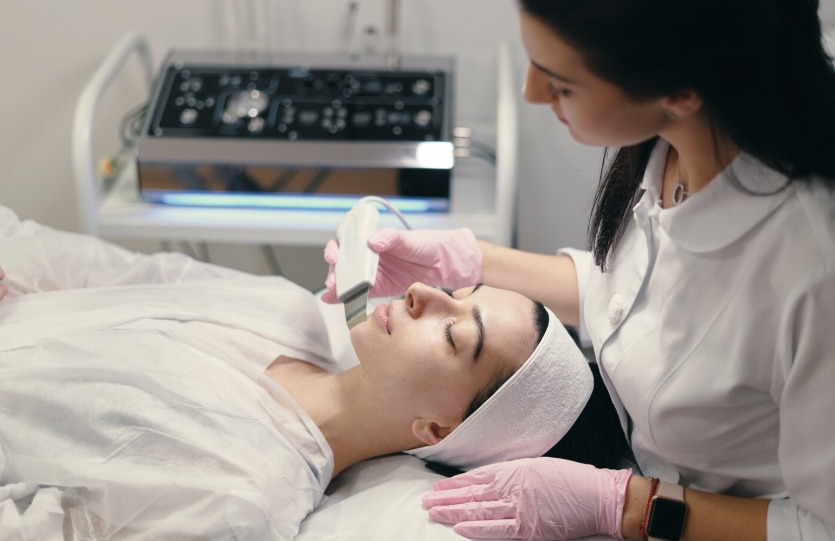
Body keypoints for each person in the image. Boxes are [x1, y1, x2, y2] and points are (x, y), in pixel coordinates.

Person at [322, 0, 835, 539]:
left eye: (561, 83)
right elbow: (633, 294)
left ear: (679, 92)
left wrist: (625, 505)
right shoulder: (673, 147)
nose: (531, 93)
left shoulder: (813, 273)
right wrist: (467, 261)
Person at [0, 204, 619, 540]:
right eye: (458, 291)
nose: (424, 294)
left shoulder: (241, 494)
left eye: (455, 334)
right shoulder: (287, 312)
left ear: (437, 428)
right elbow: (119, 274)